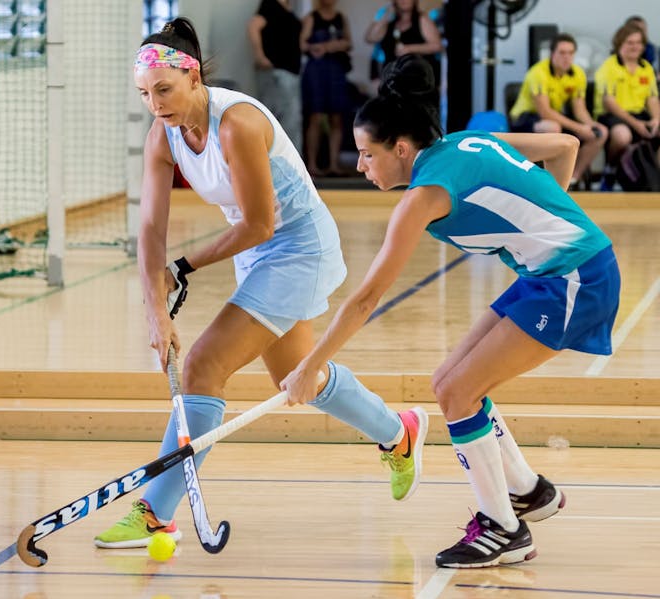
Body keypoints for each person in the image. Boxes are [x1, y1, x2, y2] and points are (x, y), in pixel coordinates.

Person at [94, 18, 429, 550]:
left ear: (194, 79)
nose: (155, 103)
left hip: (297, 246)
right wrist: (155, 312)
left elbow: (260, 225)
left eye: (164, 89)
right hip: (258, 253)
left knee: (205, 364)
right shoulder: (164, 133)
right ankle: (397, 431)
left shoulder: (237, 124)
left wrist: (182, 267)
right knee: (297, 374)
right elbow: (151, 229)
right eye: (144, 93)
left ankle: (155, 512)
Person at [281, 55, 620, 568]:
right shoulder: (463, 141)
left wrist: (309, 368)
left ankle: (503, 528)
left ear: (400, 148)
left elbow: (367, 299)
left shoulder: (424, 197)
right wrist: (539, 219)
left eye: (366, 155)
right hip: (551, 274)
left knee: (459, 393)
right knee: (448, 383)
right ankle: (529, 491)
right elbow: (564, 147)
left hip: (578, 279)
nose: (359, 167)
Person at [509, 33, 608, 190]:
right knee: (552, 128)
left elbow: (579, 109)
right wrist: (579, 128)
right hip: (526, 118)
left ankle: (572, 179)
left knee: (600, 132)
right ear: (552, 54)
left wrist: (590, 125)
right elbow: (545, 112)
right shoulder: (538, 73)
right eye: (562, 52)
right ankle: (544, 182)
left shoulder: (578, 74)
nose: (566, 57)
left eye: (570, 53)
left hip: (556, 118)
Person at [594, 22, 660, 190]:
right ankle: (611, 171)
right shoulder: (609, 67)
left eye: (638, 43)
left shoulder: (646, 68)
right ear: (620, 44)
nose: (635, 47)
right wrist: (636, 124)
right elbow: (609, 102)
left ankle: (653, 177)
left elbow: (652, 99)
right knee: (622, 136)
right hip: (613, 115)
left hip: (639, 114)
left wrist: (656, 119)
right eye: (630, 42)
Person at [300, 0, 353, 177]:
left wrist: (333, 46)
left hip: (336, 70)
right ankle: (313, 165)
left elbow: (348, 42)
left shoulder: (341, 18)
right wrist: (316, 47)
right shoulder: (311, 18)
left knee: (336, 117)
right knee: (315, 116)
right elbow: (302, 44)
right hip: (316, 70)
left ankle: (333, 164)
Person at [247, 0, 303, 154]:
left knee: (289, 121)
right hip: (277, 73)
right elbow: (253, 26)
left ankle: (288, 165)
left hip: (289, 73)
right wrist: (260, 56)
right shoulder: (270, 5)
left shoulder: (287, 8)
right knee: (282, 121)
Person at [364, 0, 442, 85]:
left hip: (418, 78)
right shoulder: (389, 21)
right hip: (392, 78)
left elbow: (437, 45)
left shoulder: (422, 19)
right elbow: (370, 38)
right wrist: (385, 15)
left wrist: (410, 48)